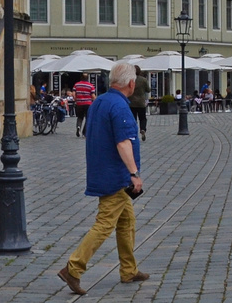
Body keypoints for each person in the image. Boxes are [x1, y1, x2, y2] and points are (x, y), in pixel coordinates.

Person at [58, 61, 151, 294]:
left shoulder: (99, 102)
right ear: (131, 83)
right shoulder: (120, 107)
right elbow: (123, 142)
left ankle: (129, 269)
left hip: (101, 171)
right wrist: (133, 173)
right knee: (104, 224)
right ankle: (73, 267)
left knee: (126, 221)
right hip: (116, 176)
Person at [129, 69, 150, 139]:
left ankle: (133, 132)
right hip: (141, 102)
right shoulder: (143, 80)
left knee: (133, 118)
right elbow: (148, 89)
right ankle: (143, 129)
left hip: (131, 102)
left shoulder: (130, 80)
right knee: (142, 118)